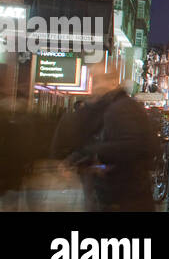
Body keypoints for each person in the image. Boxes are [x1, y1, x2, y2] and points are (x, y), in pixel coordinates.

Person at [51, 72, 161, 212]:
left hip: (125, 196)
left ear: (113, 82)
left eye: (99, 80)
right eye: (95, 81)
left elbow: (132, 146)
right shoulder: (111, 106)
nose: (96, 86)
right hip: (117, 193)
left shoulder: (123, 107)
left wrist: (92, 154)